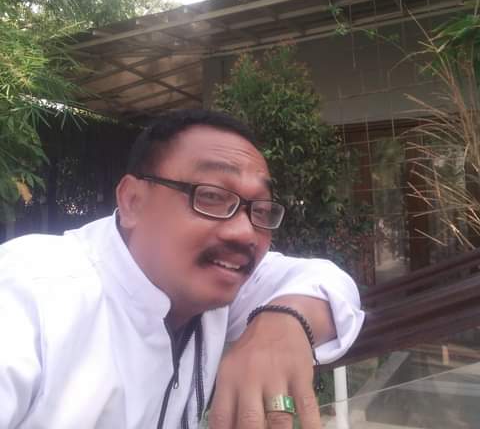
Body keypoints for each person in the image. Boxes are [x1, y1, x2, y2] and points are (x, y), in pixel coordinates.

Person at [0, 108, 364, 429]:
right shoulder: (30, 295)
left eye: (262, 209)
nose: (244, 232)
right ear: (133, 201)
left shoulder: (217, 286)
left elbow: (328, 282)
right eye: (211, 196)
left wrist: (283, 323)